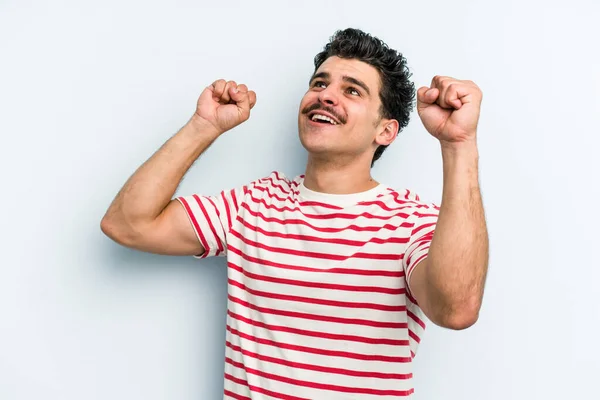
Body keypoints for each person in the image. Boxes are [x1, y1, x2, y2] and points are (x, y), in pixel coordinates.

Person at [101, 28, 489, 399]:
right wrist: (203, 126)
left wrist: (458, 144)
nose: (326, 96)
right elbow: (128, 224)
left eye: (351, 90)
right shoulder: (252, 206)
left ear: (385, 131)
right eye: (320, 84)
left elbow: (455, 309)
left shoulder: (412, 221)